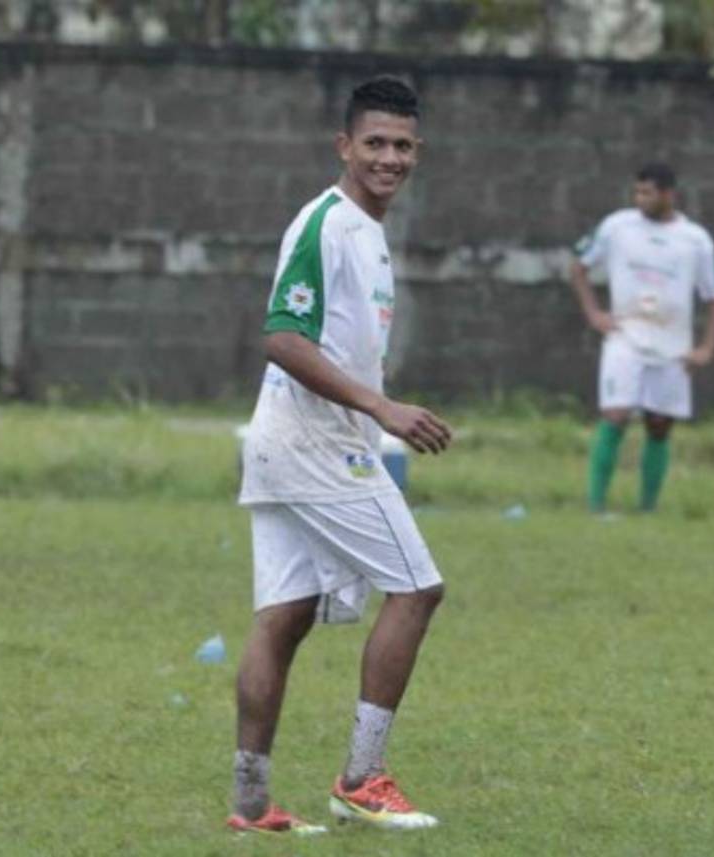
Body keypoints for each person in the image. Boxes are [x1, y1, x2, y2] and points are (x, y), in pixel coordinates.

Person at [228, 76, 451, 836]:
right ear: (344, 146)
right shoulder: (327, 224)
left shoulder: (367, 230)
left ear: (418, 151)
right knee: (417, 589)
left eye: (403, 146)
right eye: (375, 143)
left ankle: (251, 803)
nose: (389, 158)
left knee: (284, 615)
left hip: (289, 442)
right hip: (315, 444)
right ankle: (361, 778)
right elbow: (282, 338)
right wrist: (382, 409)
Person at [570, 163, 714, 513]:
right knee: (616, 414)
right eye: (637, 192)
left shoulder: (695, 239)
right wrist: (594, 313)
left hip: (673, 344)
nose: (640, 199)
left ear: (669, 194)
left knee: (659, 424)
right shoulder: (617, 227)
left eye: (648, 193)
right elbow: (579, 266)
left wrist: (706, 347)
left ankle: (648, 507)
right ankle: (596, 506)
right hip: (625, 337)